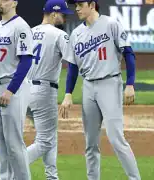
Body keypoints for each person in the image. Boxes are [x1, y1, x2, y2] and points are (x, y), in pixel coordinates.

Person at [59, 0, 141, 179]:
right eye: (75, 5)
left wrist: (130, 84)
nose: (77, 8)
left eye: (80, 4)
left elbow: (128, 52)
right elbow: (72, 67)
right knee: (90, 144)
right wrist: (67, 94)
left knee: (116, 139)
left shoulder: (111, 24)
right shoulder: (76, 33)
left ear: (92, 4)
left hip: (110, 83)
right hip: (88, 87)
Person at [0, 0, 34, 179]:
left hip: (12, 87)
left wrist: (11, 90)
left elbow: (26, 61)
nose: (0, 2)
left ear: (14, 2)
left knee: (14, 143)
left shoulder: (21, 26)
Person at [25, 0, 72, 179]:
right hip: (44, 92)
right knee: (45, 141)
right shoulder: (59, 35)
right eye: (62, 14)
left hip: (24, 91)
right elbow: (73, 61)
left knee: (49, 136)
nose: (64, 18)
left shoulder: (29, 32)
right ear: (53, 14)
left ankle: (52, 176)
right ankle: (12, 168)